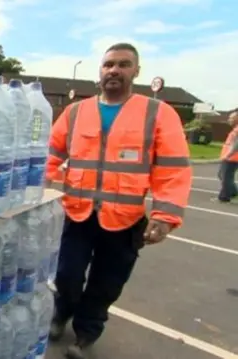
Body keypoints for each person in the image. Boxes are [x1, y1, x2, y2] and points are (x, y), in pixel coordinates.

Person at [44, 43, 193, 359]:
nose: (114, 70)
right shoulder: (75, 112)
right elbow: (52, 153)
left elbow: (173, 168)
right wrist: (37, 187)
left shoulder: (157, 113)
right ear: (100, 71)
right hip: (78, 214)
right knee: (67, 274)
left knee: (106, 283)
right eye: (108, 64)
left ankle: (86, 334)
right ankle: (61, 314)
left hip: (125, 218)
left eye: (123, 64)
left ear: (136, 71)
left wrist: (165, 215)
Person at [216, 111, 238, 203]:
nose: (229, 120)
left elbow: (236, 145)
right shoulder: (235, 129)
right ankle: (233, 191)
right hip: (231, 157)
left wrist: (228, 155)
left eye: (231, 118)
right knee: (222, 174)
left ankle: (224, 196)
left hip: (232, 158)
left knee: (226, 177)